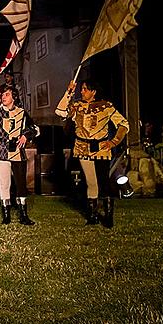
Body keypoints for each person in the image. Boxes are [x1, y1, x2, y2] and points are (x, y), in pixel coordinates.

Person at [55, 79, 129, 228]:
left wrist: (114, 142)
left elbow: (123, 124)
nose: (82, 91)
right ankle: (93, 216)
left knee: (103, 182)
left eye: (85, 89)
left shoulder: (106, 106)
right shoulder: (77, 106)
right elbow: (60, 111)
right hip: (82, 148)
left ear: (93, 91)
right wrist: (69, 91)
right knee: (91, 182)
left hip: (101, 148)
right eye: (81, 89)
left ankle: (108, 217)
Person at [0, 84, 40, 224]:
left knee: (21, 183)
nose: (3, 97)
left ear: (14, 97)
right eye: (2, 95)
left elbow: (35, 129)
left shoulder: (22, 113)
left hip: (17, 151)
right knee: (4, 184)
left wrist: (26, 135)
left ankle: (23, 215)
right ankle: (6, 216)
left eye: (7, 94)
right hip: (1, 151)